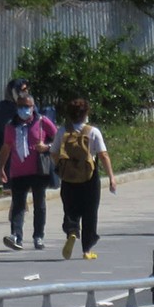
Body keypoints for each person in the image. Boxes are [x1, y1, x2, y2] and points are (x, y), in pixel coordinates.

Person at [0, 87, 57, 251]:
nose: (24, 109)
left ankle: (38, 236)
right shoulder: (11, 126)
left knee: (39, 204)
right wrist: (1, 168)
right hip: (18, 171)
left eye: (27, 106)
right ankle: (16, 236)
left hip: (38, 170)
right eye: (21, 106)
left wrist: (47, 146)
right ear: (17, 107)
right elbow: (6, 147)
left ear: (33, 106)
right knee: (18, 205)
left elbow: (58, 139)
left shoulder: (42, 122)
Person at [53, 97, 116, 259]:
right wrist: (111, 177)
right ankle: (87, 250)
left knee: (70, 208)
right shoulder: (92, 132)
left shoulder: (62, 131)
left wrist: (61, 167)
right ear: (86, 113)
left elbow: (54, 152)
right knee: (90, 212)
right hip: (90, 175)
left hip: (68, 175)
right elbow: (103, 155)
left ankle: (72, 231)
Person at [0, 78, 27, 188]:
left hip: (25, 155)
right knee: (8, 186)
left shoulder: (28, 106)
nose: (25, 92)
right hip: (6, 153)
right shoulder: (2, 107)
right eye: (22, 90)